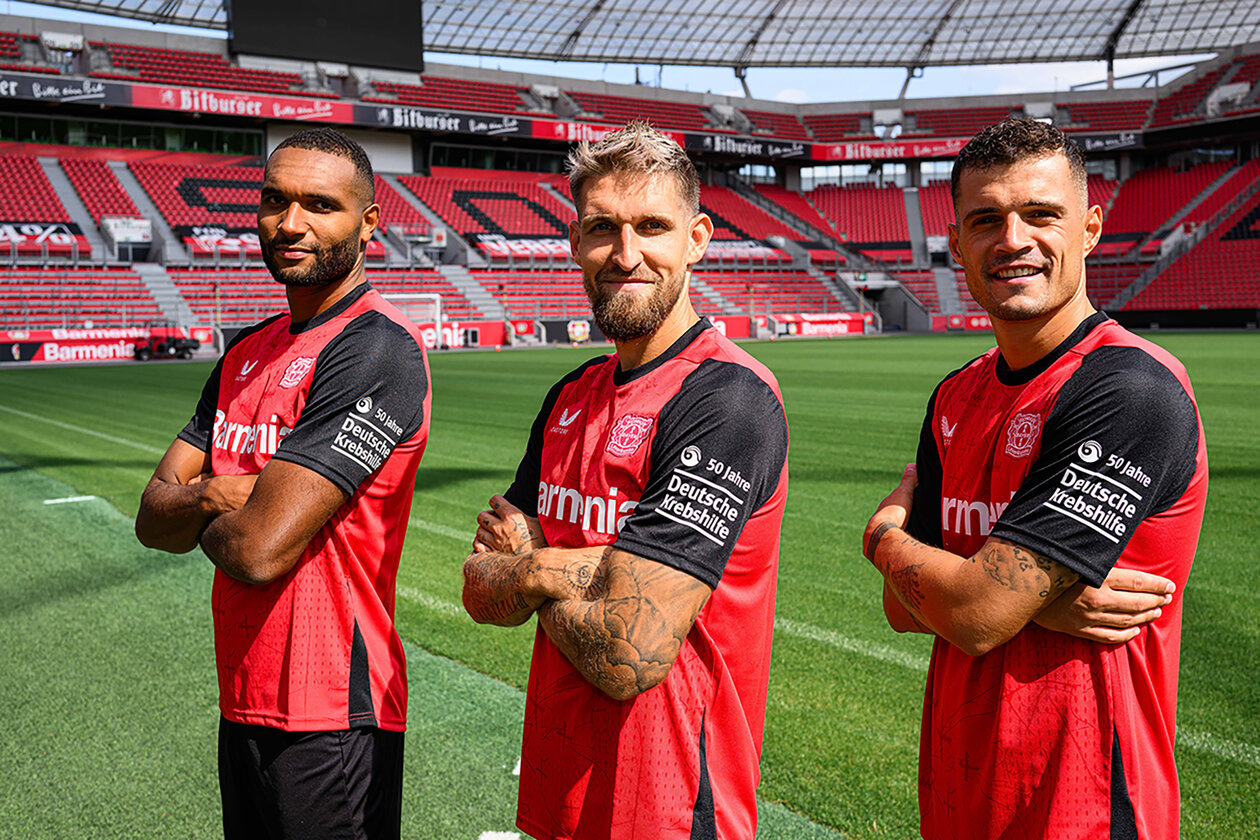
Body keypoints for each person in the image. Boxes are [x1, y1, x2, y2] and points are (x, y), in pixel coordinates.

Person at [863, 118, 1208, 840]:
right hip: (962, 797)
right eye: (986, 220)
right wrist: (1024, 601)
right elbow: (906, 611)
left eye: (1041, 215)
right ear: (956, 245)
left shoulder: (1129, 390)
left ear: (1088, 228)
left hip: (1083, 806)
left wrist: (884, 536)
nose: (1013, 239)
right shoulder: (956, 395)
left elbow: (974, 614)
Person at [461, 121, 789, 840]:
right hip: (560, 794)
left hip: (673, 804)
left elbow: (626, 651)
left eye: (652, 226)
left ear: (697, 239)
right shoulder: (569, 396)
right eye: (604, 228)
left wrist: (535, 566)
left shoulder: (727, 399)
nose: (626, 253)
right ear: (576, 243)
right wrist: (596, 574)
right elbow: (479, 592)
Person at [135, 126, 430, 839]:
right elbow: (151, 516)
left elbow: (261, 550)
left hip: (332, 710)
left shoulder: (375, 347)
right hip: (244, 695)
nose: (290, 223)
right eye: (275, 201)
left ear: (367, 226)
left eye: (320, 205)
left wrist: (209, 499)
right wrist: (215, 493)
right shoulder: (246, 350)